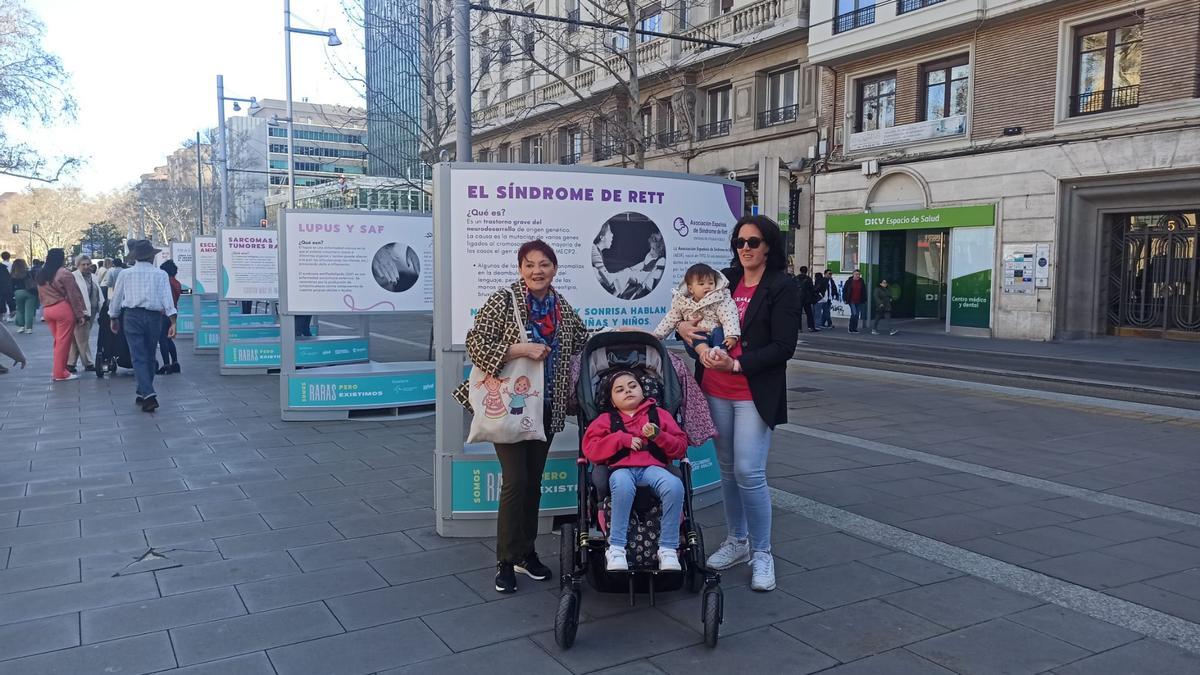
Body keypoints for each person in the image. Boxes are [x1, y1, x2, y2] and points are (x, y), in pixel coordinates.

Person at [454, 239, 590, 594]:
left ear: (555, 269)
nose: (537, 271)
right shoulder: (504, 300)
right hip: (511, 406)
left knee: (533, 482)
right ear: (520, 269)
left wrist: (618, 335)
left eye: (544, 264)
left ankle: (525, 553)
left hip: (544, 406)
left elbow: (582, 340)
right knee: (515, 481)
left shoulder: (561, 306)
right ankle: (504, 560)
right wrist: (520, 348)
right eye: (529, 264)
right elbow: (476, 343)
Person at [678, 215, 799, 592]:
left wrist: (737, 363)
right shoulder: (722, 281)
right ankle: (737, 541)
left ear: (769, 247)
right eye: (740, 242)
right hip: (715, 389)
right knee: (728, 470)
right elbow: (689, 321)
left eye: (754, 242)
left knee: (749, 471)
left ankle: (762, 553)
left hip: (752, 392)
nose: (745, 248)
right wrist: (689, 336)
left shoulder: (782, 286)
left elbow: (784, 347)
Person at [582, 370, 688, 572]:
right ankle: (617, 547)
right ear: (612, 401)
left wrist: (659, 436)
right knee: (622, 485)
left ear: (643, 391)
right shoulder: (605, 420)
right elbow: (592, 451)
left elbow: (680, 447)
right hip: (621, 469)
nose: (627, 391)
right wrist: (621, 439)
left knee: (674, 486)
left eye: (633, 386)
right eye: (619, 390)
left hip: (653, 468)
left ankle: (668, 547)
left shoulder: (660, 415)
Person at [110, 240, 178, 412]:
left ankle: (147, 393)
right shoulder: (161, 274)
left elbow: (117, 297)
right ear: (151, 256)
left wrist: (113, 317)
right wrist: (173, 321)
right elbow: (167, 299)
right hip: (154, 317)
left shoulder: (125, 274)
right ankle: (144, 391)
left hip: (132, 316)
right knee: (149, 354)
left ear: (135, 257)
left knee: (138, 355)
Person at [651, 263, 740, 359]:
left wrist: (731, 335)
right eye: (701, 284)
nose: (707, 287)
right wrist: (656, 336)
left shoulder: (720, 297)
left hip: (715, 335)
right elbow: (670, 319)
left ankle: (721, 352)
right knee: (696, 334)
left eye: (711, 283)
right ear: (690, 289)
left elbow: (729, 315)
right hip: (695, 342)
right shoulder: (682, 301)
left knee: (719, 331)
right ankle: (705, 353)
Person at [36, 248, 87, 382]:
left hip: (47, 310)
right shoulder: (64, 273)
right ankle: (60, 373)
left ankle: (59, 370)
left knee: (58, 342)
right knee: (63, 343)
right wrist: (80, 314)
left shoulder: (41, 274)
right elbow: (74, 295)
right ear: (61, 258)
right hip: (62, 309)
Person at [68, 255, 102, 373]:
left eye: (88, 264)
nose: (86, 266)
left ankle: (70, 363)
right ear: (77, 265)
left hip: (92, 310)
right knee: (82, 338)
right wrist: (79, 312)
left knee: (78, 337)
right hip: (81, 311)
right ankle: (88, 363)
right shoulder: (73, 277)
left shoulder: (93, 276)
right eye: (83, 264)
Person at [157, 259, 182, 374]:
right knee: (169, 338)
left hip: (164, 313)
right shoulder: (177, 283)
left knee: (162, 339)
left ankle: (166, 364)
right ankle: (175, 362)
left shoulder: (167, 282)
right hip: (174, 312)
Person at [10, 259, 37, 334]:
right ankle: (29, 328)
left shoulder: (12, 274)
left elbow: (10, 286)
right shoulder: (28, 273)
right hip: (30, 292)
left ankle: (21, 326)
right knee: (29, 311)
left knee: (20, 309)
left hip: (18, 292)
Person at [842, 269, 868, 334]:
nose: (857, 276)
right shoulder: (849, 281)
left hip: (858, 300)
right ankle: (851, 328)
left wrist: (864, 299)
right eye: (856, 274)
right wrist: (845, 299)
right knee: (854, 313)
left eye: (858, 274)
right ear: (853, 274)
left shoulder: (861, 281)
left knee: (857, 315)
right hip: (851, 300)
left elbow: (864, 291)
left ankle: (854, 328)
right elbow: (845, 291)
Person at [794, 266, 818, 332]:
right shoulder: (809, 279)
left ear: (800, 270)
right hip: (807, 299)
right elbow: (812, 289)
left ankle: (799, 328)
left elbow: (793, 288)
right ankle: (811, 327)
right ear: (806, 271)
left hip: (798, 298)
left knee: (798, 314)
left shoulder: (795, 278)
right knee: (809, 314)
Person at [0, 254, 11, 323]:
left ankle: (4, 315)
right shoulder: (11, 265)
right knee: (8, 299)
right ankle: (8, 315)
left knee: (3, 300)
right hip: (9, 283)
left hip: (3, 285)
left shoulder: (2, 265)